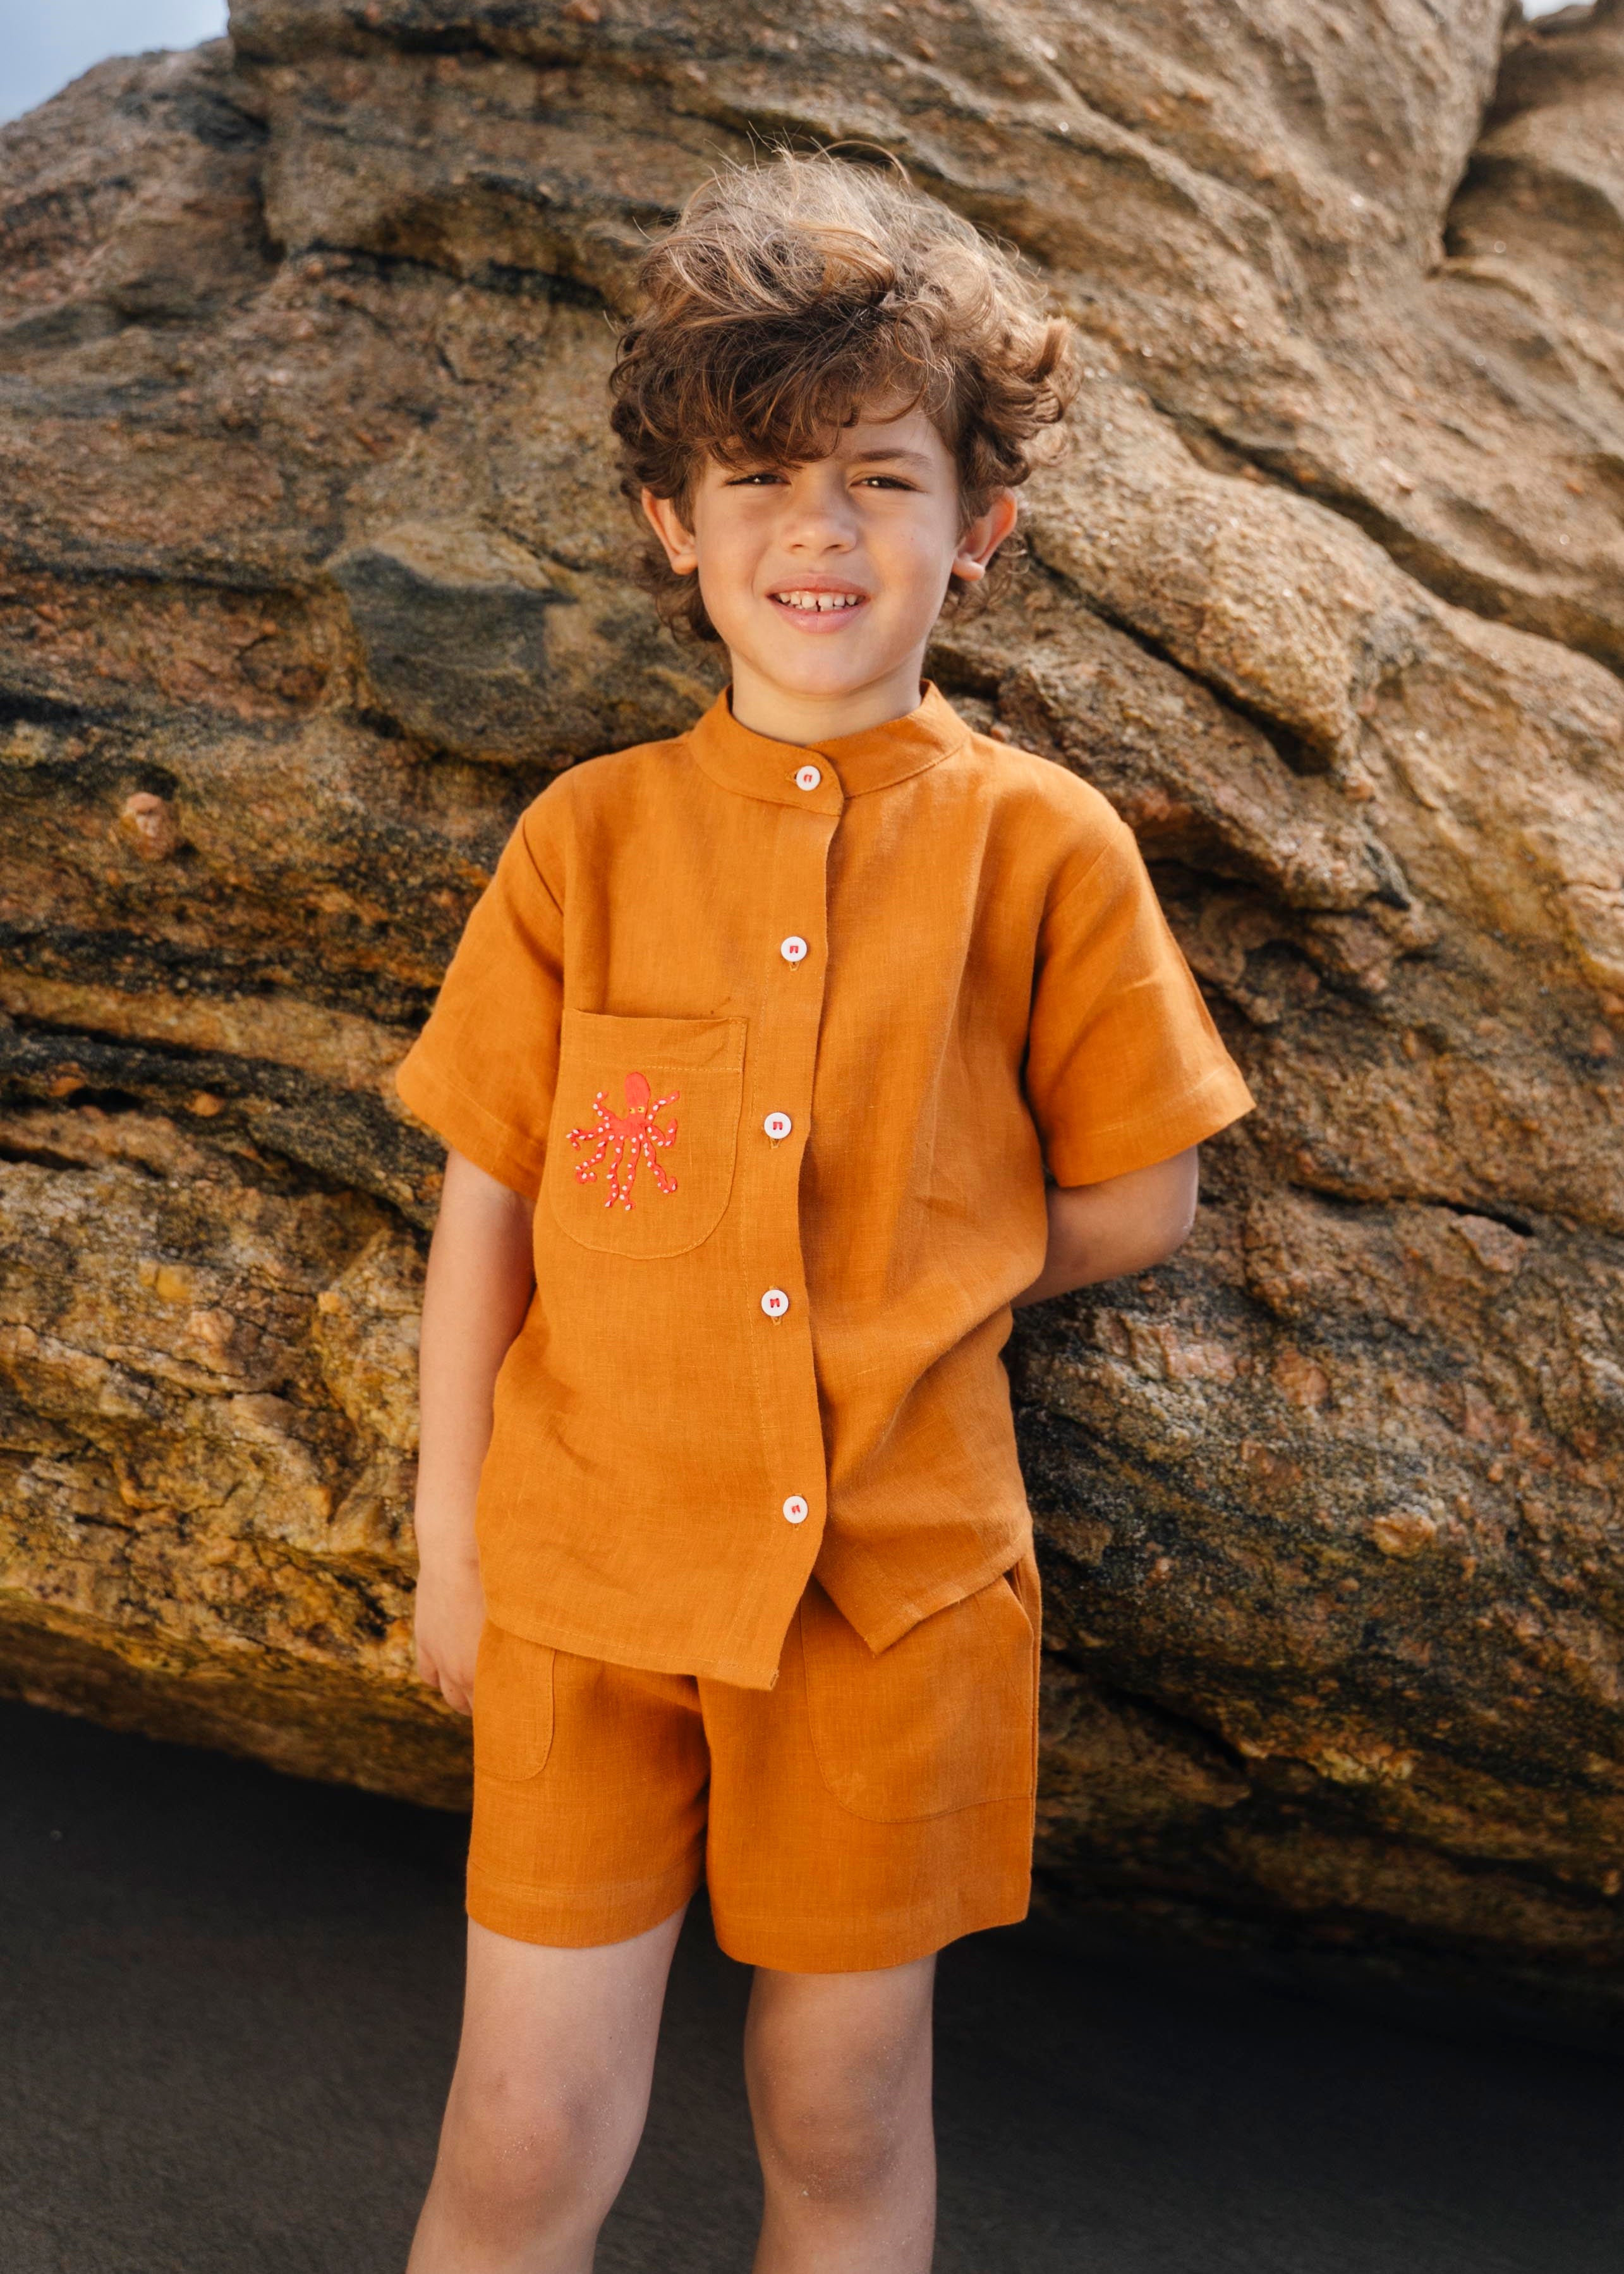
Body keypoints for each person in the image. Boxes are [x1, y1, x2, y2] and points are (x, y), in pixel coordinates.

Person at [395, 150, 1254, 2273]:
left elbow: (1140, 1195)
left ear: (978, 531)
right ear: (670, 527)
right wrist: (453, 1544)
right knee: (520, 2130)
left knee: (842, 2114)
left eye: (880, 477)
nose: (819, 529)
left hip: (893, 1597)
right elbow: (494, 1205)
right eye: (760, 481)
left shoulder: (1043, 850)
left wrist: (914, 1265)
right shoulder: (584, 844)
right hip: (586, 1579)